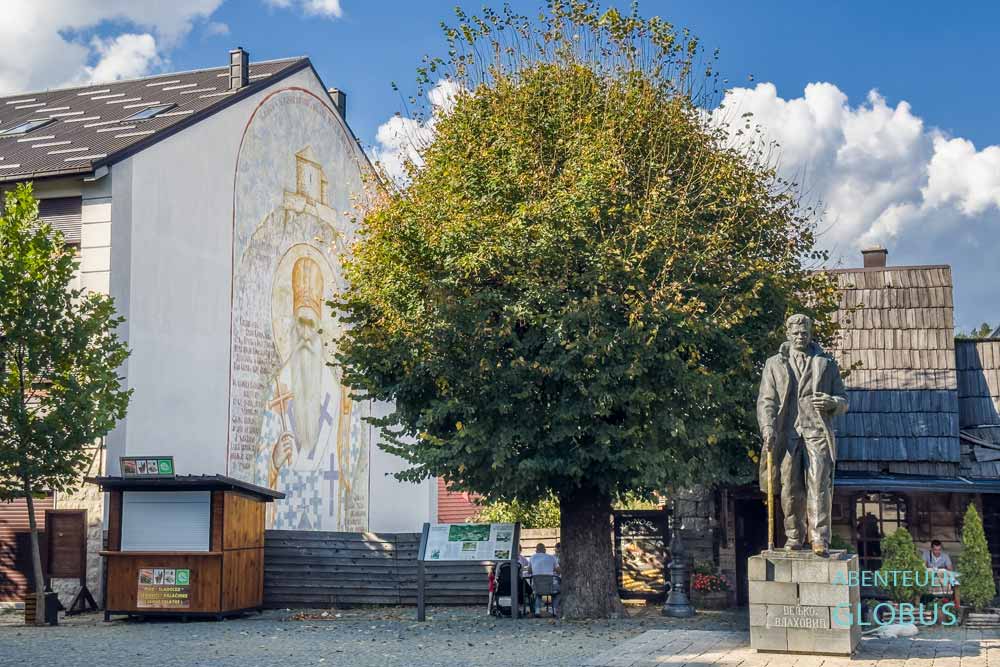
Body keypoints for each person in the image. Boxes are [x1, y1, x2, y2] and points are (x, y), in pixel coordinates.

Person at [758, 314, 849, 557]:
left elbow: (844, 401)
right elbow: (766, 401)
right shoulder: (773, 364)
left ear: (810, 334)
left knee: (818, 484)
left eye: (804, 333)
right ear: (787, 334)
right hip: (787, 433)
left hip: (817, 430)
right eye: (796, 333)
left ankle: (819, 538)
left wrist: (832, 402)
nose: (800, 336)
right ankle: (794, 536)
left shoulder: (826, 363)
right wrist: (767, 427)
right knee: (790, 489)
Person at [529, 543, 560, 616]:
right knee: (560, 591)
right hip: (550, 586)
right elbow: (559, 571)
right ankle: (554, 610)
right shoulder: (552, 557)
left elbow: (529, 571)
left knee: (538, 593)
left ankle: (537, 610)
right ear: (545, 550)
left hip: (537, 586)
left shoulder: (532, 557)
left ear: (536, 550)